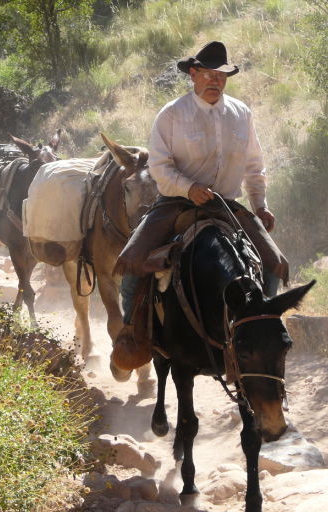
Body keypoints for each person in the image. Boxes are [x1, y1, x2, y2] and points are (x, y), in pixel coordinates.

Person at [111, 41, 289, 377]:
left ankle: (262, 334)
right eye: (208, 74)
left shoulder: (241, 113)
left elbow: (254, 165)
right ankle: (132, 334)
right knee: (133, 262)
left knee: (273, 262)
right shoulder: (172, 114)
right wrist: (189, 188)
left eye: (221, 76)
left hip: (227, 206)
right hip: (177, 204)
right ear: (193, 74)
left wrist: (260, 204)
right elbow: (160, 168)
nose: (215, 81)